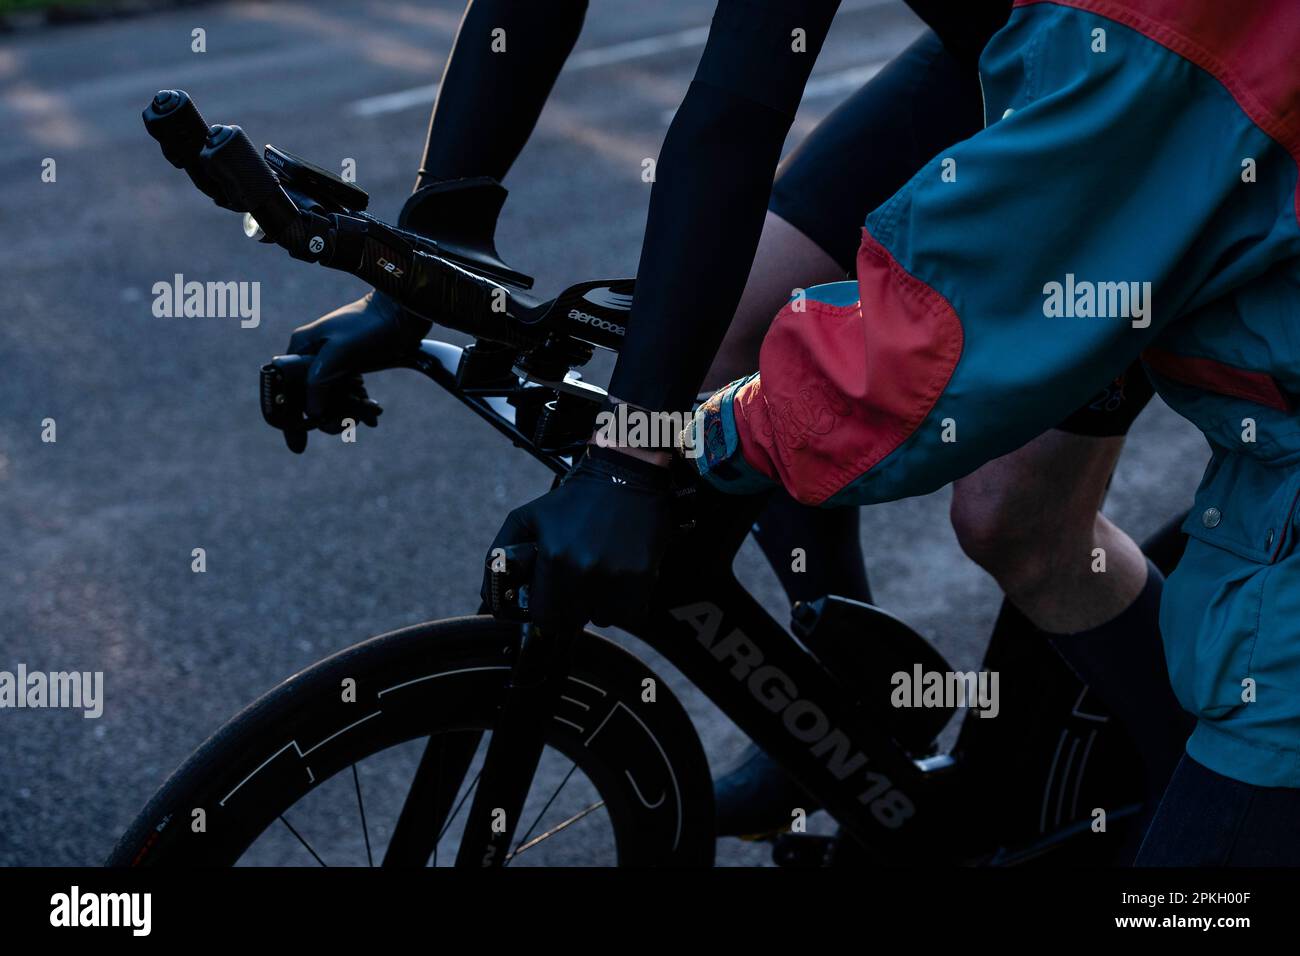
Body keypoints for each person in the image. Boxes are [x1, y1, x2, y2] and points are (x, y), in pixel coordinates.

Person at [282, 0, 1182, 853]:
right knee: (729, 346)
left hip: (1171, 77)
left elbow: (733, 119)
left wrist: (632, 454)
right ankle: (850, 702)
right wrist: (408, 286)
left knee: (1016, 521)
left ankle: (1223, 818)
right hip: (1005, 49)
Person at [684, 0, 1300, 864]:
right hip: (1057, 65)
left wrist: (701, 437)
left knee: (1013, 515)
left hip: (1126, 79)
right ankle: (850, 687)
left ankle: (1175, 779)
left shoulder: (1161, 36)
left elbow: (936, 352)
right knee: (729, 327)